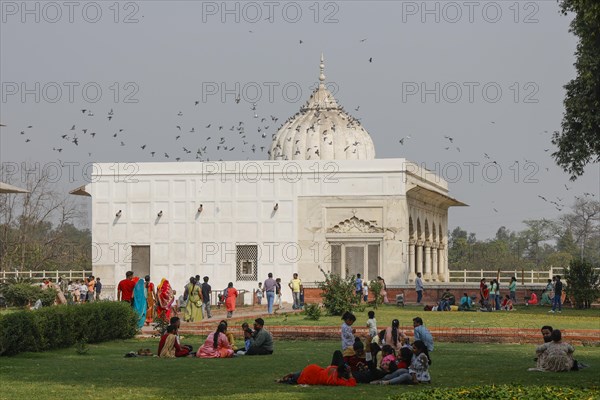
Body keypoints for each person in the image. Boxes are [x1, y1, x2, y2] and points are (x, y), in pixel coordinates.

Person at [277, 350, 356, 386]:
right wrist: (350, 373)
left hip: (313, 371)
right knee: (293, 376)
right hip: (312, 373)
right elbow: (352, 383)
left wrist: (348, 372)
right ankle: (282, 380)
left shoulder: (335, 374)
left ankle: (282, 380)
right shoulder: (336, 380)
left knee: (293, 376)